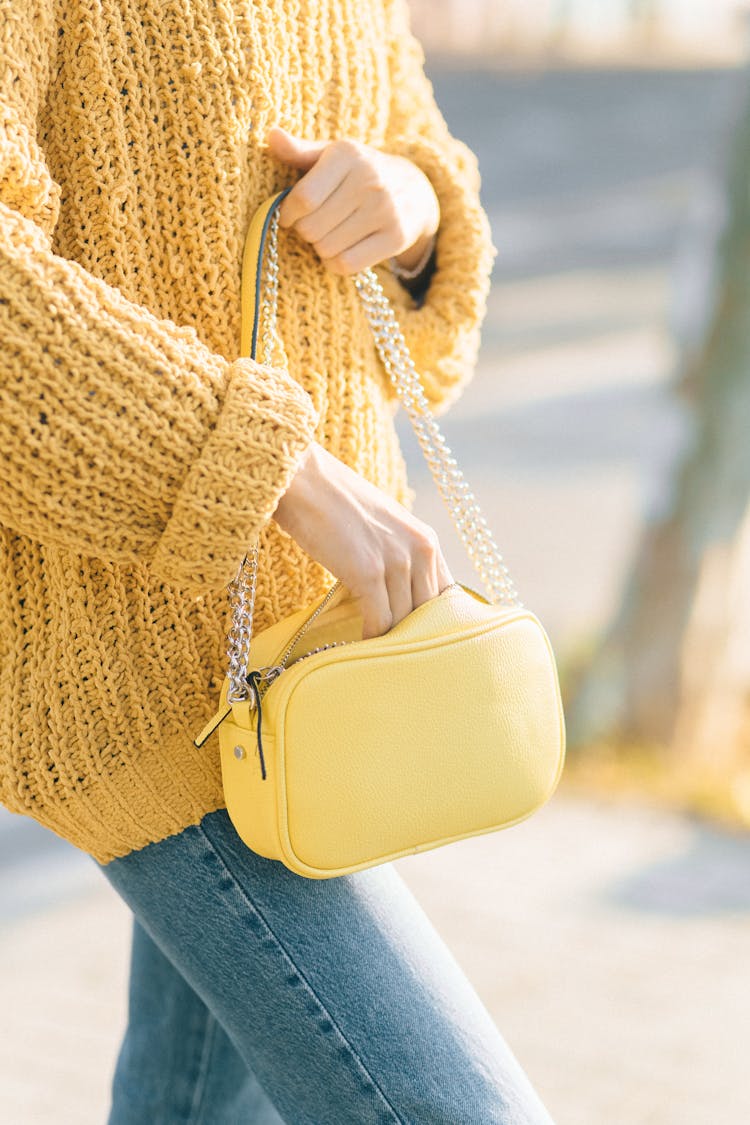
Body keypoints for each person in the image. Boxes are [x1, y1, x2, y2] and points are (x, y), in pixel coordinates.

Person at [0, 1, 555, 1121]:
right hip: (145, 678)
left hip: (309, 669)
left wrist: (411, 206)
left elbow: (406, 130)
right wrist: (280, 473)